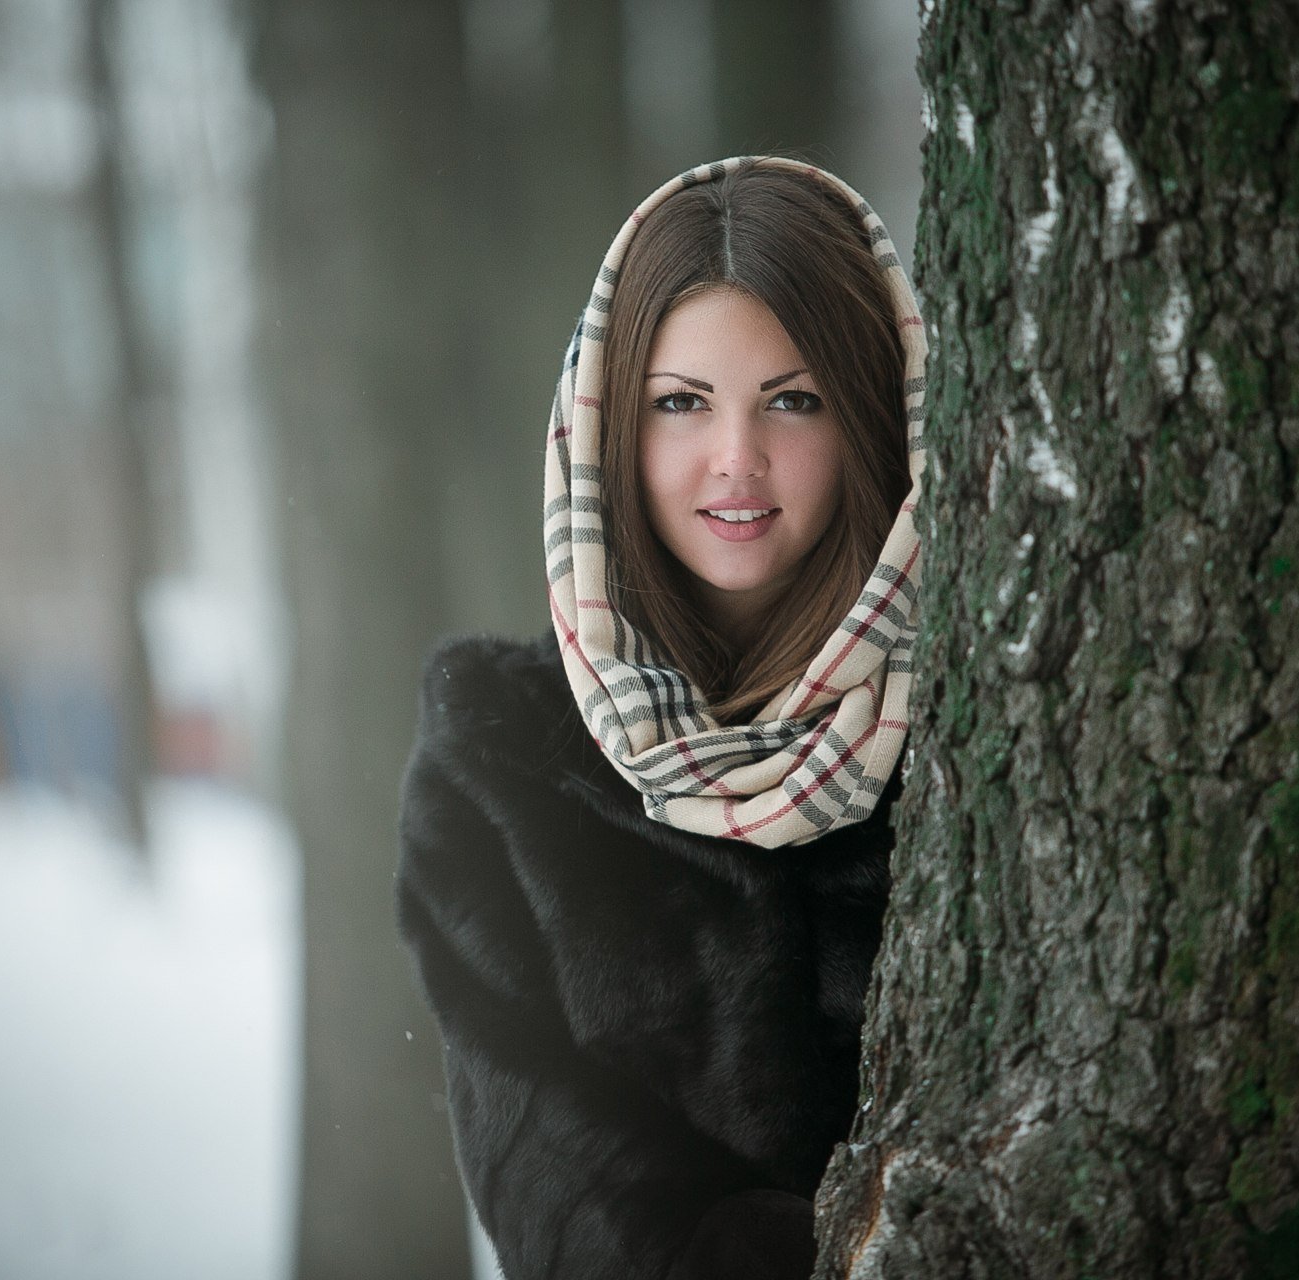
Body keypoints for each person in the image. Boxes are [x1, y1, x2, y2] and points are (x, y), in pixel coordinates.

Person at [395, 156, 928, 1280]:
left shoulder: (971, 728)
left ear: (876, 412)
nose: (737, 457)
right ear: (604, 430)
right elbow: (544, 1167)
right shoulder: (501, 760)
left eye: (794, 398)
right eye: (681, 403)